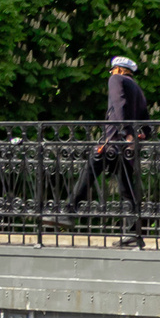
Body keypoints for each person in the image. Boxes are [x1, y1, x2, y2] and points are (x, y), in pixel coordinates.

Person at [57, 56, 150, 247]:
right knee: (126, 188)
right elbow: (147, 122)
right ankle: (135, 234)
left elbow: (119, 104)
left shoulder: (117, 80)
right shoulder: (138, 89)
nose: (111, 74)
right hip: (126, 147)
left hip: (113, 143)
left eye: (112, 70)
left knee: (89, 172)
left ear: (118, 70)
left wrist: (125, 133)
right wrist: (139, 137)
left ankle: (68, 213)